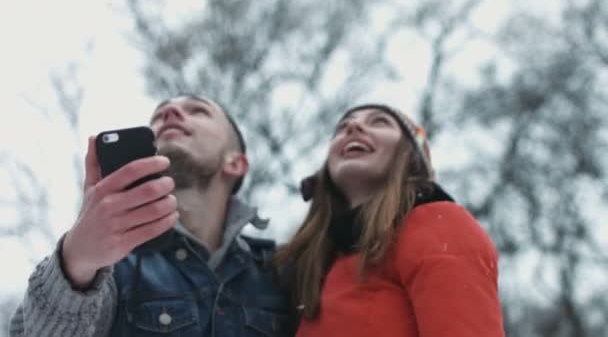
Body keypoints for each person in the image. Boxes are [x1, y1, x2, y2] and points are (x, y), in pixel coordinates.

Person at [10, 95, 293, 336]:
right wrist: (76, 263)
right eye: (159, 116)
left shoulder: (283, 270)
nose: (170, 113)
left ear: (235, 162)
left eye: (198, 110)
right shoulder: (111, 267)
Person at [275, 104, 505, 336]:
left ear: (411, 156)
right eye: (342, 128)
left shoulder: (440, 225)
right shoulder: (306, 262)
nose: (353, 126)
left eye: (379, 122)